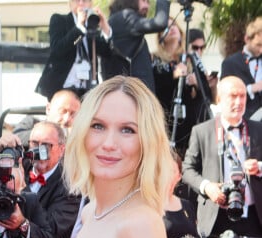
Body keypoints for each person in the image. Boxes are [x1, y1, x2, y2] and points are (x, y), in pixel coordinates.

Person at [42, 75, 173, 238]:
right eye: (98, 126)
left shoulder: (140, 226)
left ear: (147, 142)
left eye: (127, 130)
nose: (109, 143)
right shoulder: (90, 213)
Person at [182, 76, 262, 238]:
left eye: (242, 96)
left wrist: (259, 167)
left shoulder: (258, 129)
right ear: (219, 99)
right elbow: (187, 170)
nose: (238, 102)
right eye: (232, 96)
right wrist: (207, 187)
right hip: (215, 220)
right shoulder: (202, 131)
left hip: (251, 221)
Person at [152, 18, 210, 158]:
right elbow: (154, 87)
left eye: (174, 25)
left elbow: (206, 91)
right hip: (166, 120)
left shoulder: (192, 57)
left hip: (190, 121)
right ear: (160, 36)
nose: (171, 28)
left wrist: (196, 83)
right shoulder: (154, 58)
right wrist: (173, 75)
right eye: (166, 27)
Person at [25, 120, 80, 238]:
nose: (39, 150)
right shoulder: (19, 167)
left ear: (62, 150)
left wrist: (21, 189)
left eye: (46, 145)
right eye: (34, 144)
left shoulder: (70, 186)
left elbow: (48, 229)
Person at [35, 0, 112, 100]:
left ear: (91, 4)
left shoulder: (91, 25)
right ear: (70, 3)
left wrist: (105, 29)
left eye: (85, 1)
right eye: (76, 0)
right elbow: (58, 49)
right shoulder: (59, 20)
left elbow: (106, 52)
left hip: (87, 88)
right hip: (62, 85)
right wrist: (79, 28)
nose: (81, 4)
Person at [100, 0, 170, 93]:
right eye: (143, 1)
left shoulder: (116, 20)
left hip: (123, 91)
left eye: (148, 2)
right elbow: (159, 22)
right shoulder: (126, 17)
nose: (147, 6)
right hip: (134, 93)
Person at [221, 16, 262, 119]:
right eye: (258, 45)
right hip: (244, 121)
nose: (261, 50)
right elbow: (225, 95)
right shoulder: (230, 63)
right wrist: (252, 88)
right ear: (247, 39)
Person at [13, 89, 81, 148]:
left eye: (73, 114)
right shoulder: (31, 122)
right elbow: (15, 138)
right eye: (63, 111)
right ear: (48, 109)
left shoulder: (79, 135)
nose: (67, 119)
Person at [164, 152, 199, 238]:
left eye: (171, 171)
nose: (166, 175)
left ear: (179, 176)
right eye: (163, 170)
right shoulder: (148, 205)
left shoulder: (187, 205)